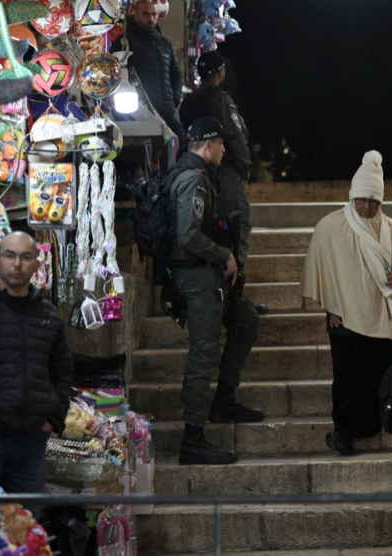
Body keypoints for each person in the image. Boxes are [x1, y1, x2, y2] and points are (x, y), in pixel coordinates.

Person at [300, 150, 392, 455]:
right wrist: (330, 307)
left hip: (382, 316)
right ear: (352, 196)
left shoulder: (391, 229)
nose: (367, 207)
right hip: (345, 318)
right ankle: (345, 432)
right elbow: (321, 270)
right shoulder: (329, 228)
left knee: (387, 375)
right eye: (362, 200)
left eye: (374, 201)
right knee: (349, 379)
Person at [166, 117, 263, 466]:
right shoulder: (193, 179)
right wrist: (225, 255)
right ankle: (193, 439)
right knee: (203, 354)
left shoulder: (198, 176)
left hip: (210, 278)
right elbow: (189, 236)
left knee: (246, 321)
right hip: (198, 278)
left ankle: (223, 400)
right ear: (208, 145)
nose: (224, 150)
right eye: (221, 144)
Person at [0, 232, 73, 499]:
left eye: (26, 256)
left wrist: (53, 419)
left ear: (37, 264)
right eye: (10, 255)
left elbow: (62, 371)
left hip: (32, 443)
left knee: (27, 526)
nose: (17, 264)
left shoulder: (49, 316)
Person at [179, 51, 253, 270]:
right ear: (221, 73)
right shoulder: (221, 99)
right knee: (239, 224)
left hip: (197, 169)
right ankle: (236, 288)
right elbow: (237, 137)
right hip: (226, 172)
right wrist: (245, 166)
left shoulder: (188, 102)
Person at [112, 0, 184, 139]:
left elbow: (176, 74)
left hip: (166, 115)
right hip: (137, 115)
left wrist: (175, 98)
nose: (151, 19)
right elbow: (113, 75)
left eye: (153, 14)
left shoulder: (165, 44)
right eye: (146, 14)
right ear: (136, 16)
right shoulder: (124, 42)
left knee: (181, 139)